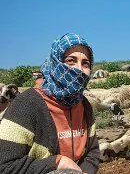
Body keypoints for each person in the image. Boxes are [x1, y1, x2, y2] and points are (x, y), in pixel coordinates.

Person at [0, 33, 100, 174]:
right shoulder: (25, 106)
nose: (78, 69)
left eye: (85, 63)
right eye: (71, 61)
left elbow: (92, 152)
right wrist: (57, 162)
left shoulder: (84, 106)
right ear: (56, 62)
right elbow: (4, 166)